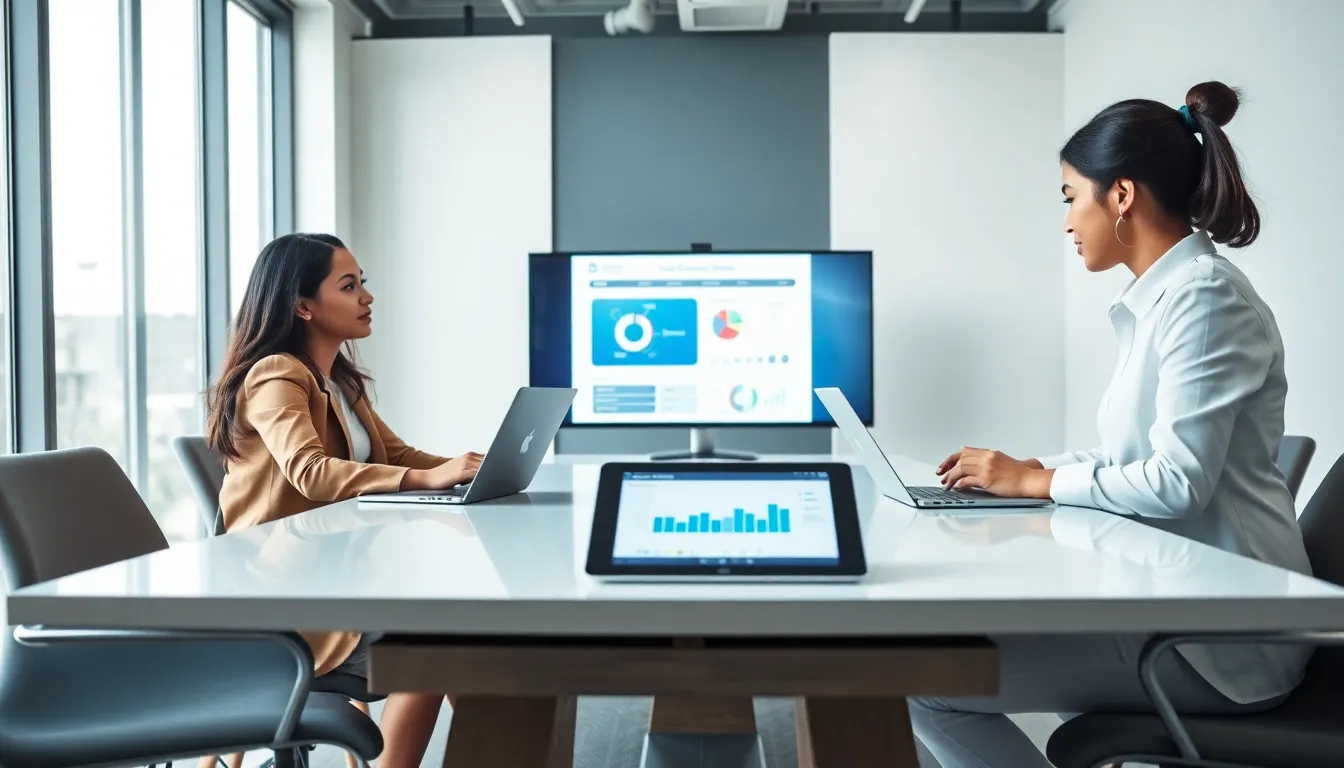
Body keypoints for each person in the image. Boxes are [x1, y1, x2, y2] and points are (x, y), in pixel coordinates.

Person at [912, 82, 1313, 768]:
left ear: (1120, 195)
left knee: (925, 684)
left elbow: (1177, 485)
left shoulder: (1205, 300)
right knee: (964, 664)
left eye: (1071, 196)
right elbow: (1133, 454)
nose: (1067, 221)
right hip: (1186, 614)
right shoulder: (1167, 299)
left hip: (1222, 648)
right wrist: (1022, 472)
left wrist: (1037, 482)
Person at [206, 233, 484, 768]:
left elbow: (398, 453)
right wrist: (426, 481)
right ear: (303, 306)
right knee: (432, 648)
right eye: (349, 285)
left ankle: (503, 750)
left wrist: (466, 469)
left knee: (465, 635)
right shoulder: (275, 374)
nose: (367, 297)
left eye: (364, 284)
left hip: (334, 578)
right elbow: (309, 472)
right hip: (284, 602)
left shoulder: (339, 381)